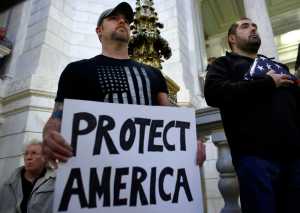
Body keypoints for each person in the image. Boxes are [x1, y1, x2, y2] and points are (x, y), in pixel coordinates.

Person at [42, 2, 205, 169]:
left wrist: (191, 137)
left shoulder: (153, 74)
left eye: (126, 21)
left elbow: (170, 114)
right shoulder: (76, 71)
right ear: (99, 31)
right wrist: (49, 134)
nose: (122, 22)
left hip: (146, 171)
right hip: (96, 172)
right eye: (113, 18)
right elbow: (57, 117)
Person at [204, 17, 300, 213]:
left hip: (293, 158)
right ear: (232, 38)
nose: (253, 29)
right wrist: (267, 83)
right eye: (245, 26)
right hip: (256, 158)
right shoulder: (223, 64)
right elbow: (214, 93)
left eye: (254, 26)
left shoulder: (279, 67)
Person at [0, 140, 55, 213]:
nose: (28, 157)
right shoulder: (10, 183)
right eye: (26, 154)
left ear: (45, 158)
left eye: (34, 153)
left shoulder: (54, 182)